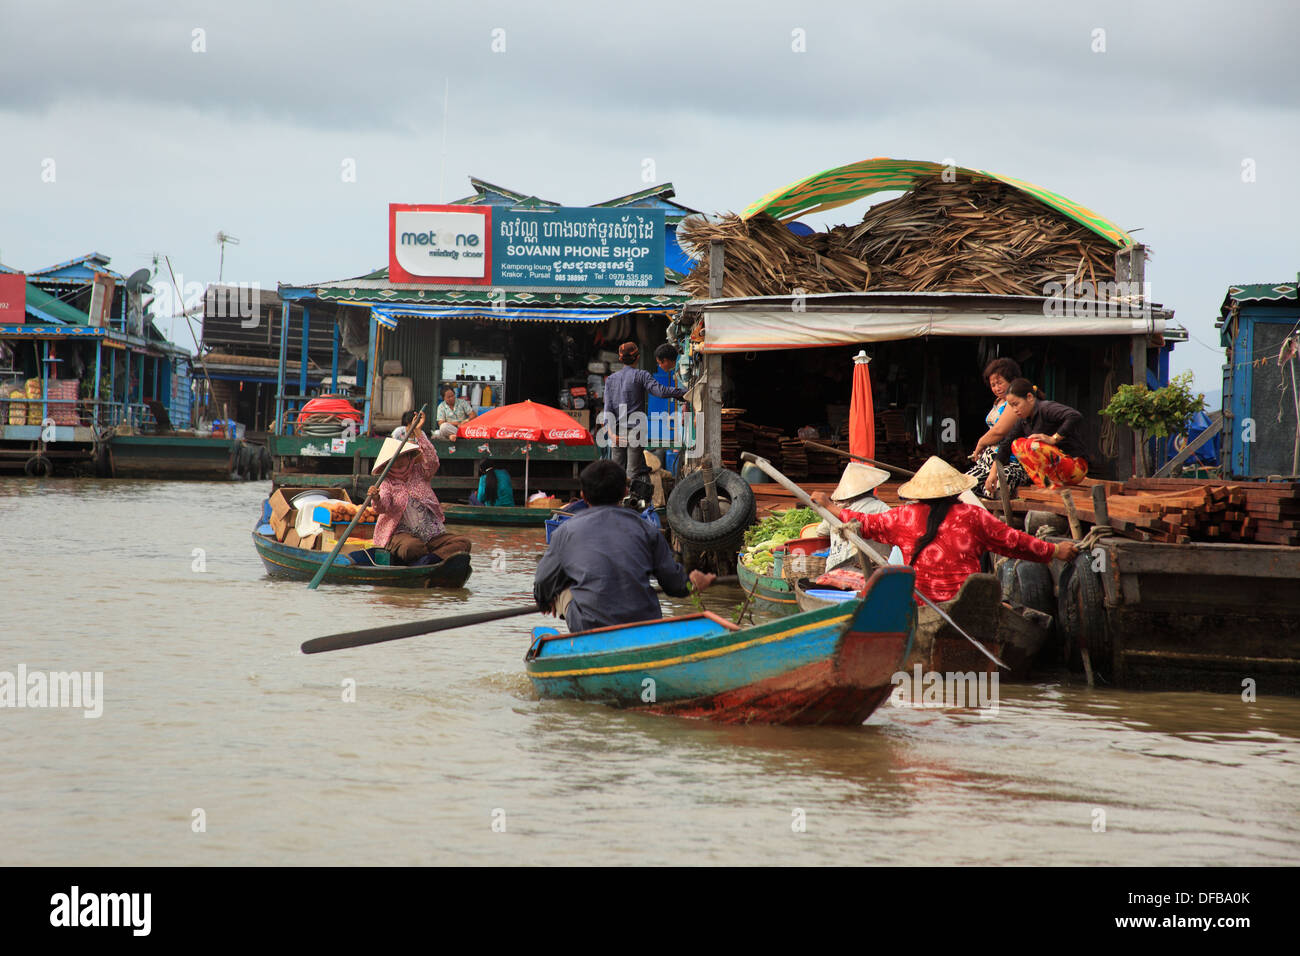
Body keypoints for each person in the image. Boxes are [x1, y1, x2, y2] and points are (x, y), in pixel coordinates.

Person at [812, 457, 1077, 604]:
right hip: (967, 603)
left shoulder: (902, 516)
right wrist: (1055, 550)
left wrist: (827, 505)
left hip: (921, 603)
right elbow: (1014, 541)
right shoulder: (973, 515)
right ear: (955, 490)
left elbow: (862, 523)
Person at [534, 459, 714, 632]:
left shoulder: (565, 532)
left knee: (563, 588)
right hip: (645, 625)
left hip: (590, 627)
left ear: (582, 495)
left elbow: (543, 583)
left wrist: (544, 601)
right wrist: (694, 583)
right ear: (625, 492)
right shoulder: (647, 529)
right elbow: (675, 585)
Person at [363, 410, 472, 564]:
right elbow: (383, 506)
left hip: (430, 535)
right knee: (412, 548)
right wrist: (376, 497)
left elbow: (432, 461)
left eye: (404, 456)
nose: (401, 462)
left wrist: (418, 431)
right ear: (389, 463)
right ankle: (429, 558)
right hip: (400, 535)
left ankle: (429, 560)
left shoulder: (420, 472)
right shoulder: (387, 482)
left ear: (409, 457)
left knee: (463, 543)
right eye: (396, 459)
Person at [601, 341, 686, 482]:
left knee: (616, 473)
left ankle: (617, 502)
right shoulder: (641, 375)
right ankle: (630, 502)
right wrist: (684, 393)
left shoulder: (611, 379)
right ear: (638, 357)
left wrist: (611, 434)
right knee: (633, 473)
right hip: (635, 430)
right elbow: (660, 391)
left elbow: (607, 410)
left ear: (620, 359)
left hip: (616, 432)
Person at [996, 379, 1090, 488]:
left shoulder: (1046, 408)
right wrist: (994, 474)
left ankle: (1052, 485)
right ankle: (1046, 485)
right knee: (1016, 444)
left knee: (1032, 445)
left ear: (1030, 397)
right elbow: (1006, 444)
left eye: (1016, 404)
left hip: (1076, 467)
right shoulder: (1024, 420)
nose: (1014, 410)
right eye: (1012, 406)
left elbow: (1074, 416)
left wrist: (1053, 439)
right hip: (1058, 472)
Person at [966, 357, 1030, 499]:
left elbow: (1000, 431)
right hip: (989, 461)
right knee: (965, 487)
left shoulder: (1014, 402)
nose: (996, 388)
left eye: (1000, 383)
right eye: (993, 384)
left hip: (1011, 461)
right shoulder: (998, 401)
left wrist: (981, 443)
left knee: (991, 489)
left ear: (1012, 380)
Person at [814, 461, 892, 571]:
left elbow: (821, 532)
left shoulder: (834, 508)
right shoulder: (880, 508)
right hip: (867, 572)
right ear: (871, 488)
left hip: (832, 571)